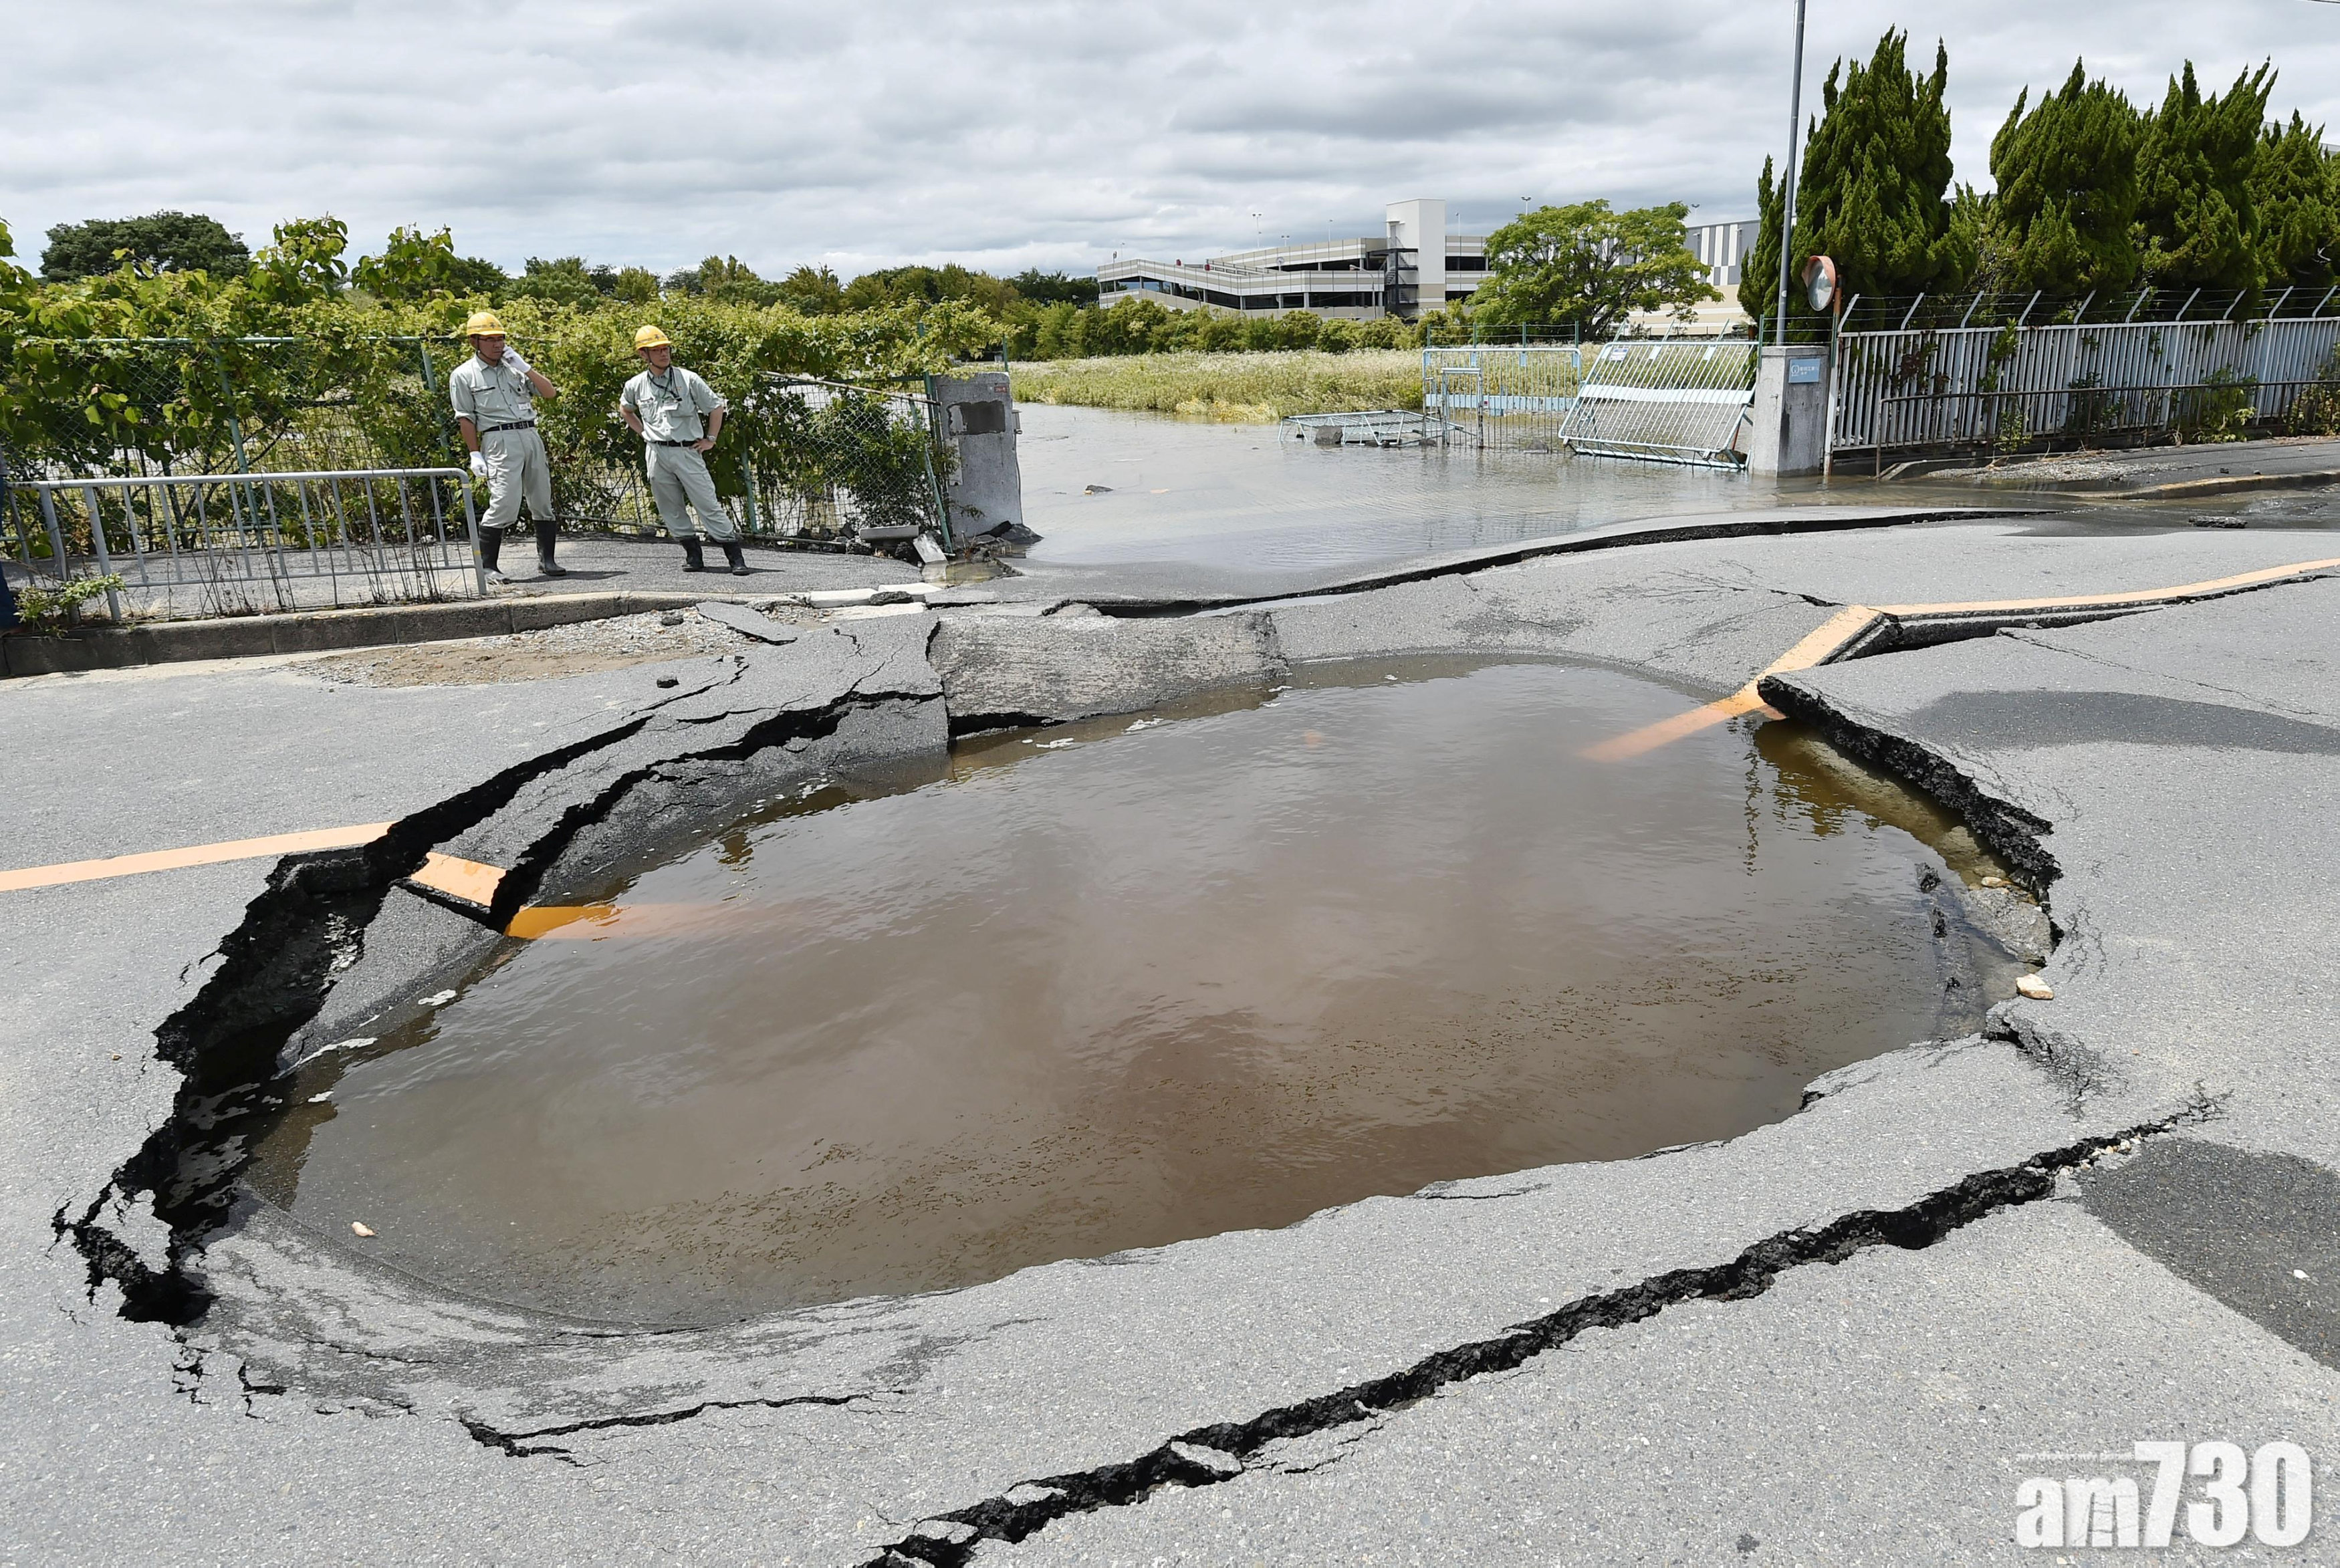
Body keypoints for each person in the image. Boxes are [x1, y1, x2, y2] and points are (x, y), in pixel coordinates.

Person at [618, 325, 747, 575]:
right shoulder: (635, 384)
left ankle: (735, 557)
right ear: (643, 355)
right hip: (656, 452)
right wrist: (643, 433)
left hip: (687, 450)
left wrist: (711, 438)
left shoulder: (688, 379)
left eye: (666, 349)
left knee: (707, 502)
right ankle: (693, 556)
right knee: (669, 506)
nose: (664, 354)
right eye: (657, 350)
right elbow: (626, 409)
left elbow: (716, 407)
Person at [448, 310, 564, 581]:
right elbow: (465, 417)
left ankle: (548, 561)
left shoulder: (515, 367)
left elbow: (549, 393)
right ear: (474, 342)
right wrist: (474, 452)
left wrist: (526, 368)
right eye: (490, 340)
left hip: (530, 434)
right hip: (499, 439)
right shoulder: (464, 375)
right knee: (504, 502)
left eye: (500, 338)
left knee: (542, 498)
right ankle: (488, 566)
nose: (498, 344)